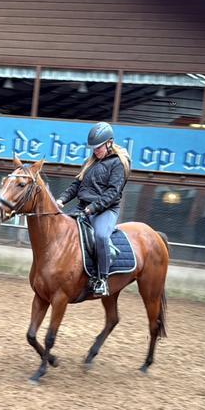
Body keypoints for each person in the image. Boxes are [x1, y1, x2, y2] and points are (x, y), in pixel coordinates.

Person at [57, 122, 130, 296]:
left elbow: (113, 193)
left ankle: (102, 279)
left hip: (106, 209)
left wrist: (92, 208)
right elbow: (76, 186)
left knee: (101, 236)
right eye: (93, 148)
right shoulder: (89, 162)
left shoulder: (118, 164)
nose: (95, 151)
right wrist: (61, 200)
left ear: (109, 143)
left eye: (98, 147)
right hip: (83, 207)